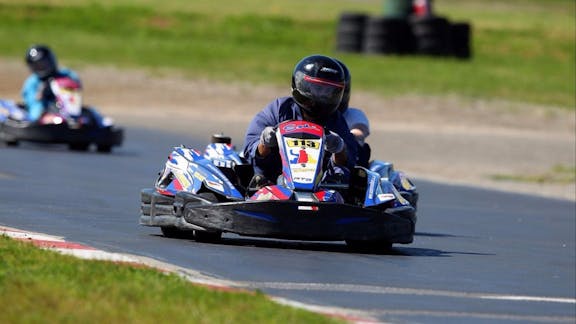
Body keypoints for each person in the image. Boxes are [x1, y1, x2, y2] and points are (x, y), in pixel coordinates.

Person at [243, 54, 359, 188]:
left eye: (329, 92)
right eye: (318, 89)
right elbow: (249, 149)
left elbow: (350, 160)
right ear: (302, 85)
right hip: (272, 182)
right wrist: (265, 143)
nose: (322, 96)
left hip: (320, 189)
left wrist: (339, 148)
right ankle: (261, 186)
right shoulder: (279, 109)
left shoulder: (336, 120)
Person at [21, 44, 81, 122]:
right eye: (38, 65)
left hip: (67, 111)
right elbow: (33, 106)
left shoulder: (66, 74)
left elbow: (76, 87)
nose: (43, 67)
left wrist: (57, 87)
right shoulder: (32, 83)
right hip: (44, 116)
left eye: (45, 63)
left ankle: (72, 119)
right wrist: (42, 94)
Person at [333, 58, 372, 167]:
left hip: (348, 162)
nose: (324, 95)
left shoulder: (354, 115)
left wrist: (336, 139)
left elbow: (359, 131)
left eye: (331, 91)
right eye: (318, 89)